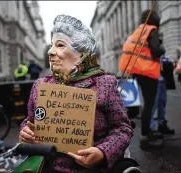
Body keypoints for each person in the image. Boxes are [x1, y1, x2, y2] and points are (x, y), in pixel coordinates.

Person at [19, 14, 133, 173]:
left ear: (81, 53)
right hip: (47, 167)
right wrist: (26, 133)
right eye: (51, 45)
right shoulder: (40, 86)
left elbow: (122, 129)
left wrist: (102, 152)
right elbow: (30, 122)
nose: (50, 52)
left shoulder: (104, 84)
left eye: (60, 45)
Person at [118, 10, 165, 148]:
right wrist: (162, 48)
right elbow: (156, 50)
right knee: (149, 105)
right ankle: (145, 137)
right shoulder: (152, 30)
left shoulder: (140, 30)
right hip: (148, 72)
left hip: (139, 72)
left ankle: (148, 132)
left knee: (147, 104)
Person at [150, 55, 175, 138]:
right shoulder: (148, 44)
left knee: (162, 103)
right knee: (153, 104)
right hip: (152, 77)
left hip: (162, 77)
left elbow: (161, 56)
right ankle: (151, 128)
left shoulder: (157, 44)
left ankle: (162, 124)